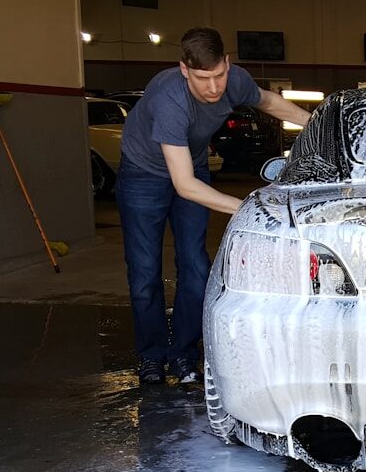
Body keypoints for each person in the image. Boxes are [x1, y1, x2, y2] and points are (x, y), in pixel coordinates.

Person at [117, 27, 311, 385]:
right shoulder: (169, 99)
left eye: (219, 75)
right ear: (184, 70)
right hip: (144, 173)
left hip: (192, 165)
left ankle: (185, 355)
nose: (213, 88)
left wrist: (315, 122)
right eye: (202, 78)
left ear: (227, 63)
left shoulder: (233, 80)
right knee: (145, 272)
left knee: (195, 265)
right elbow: (184, 185)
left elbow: (267, 101)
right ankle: (152, 356)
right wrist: (247, 206)